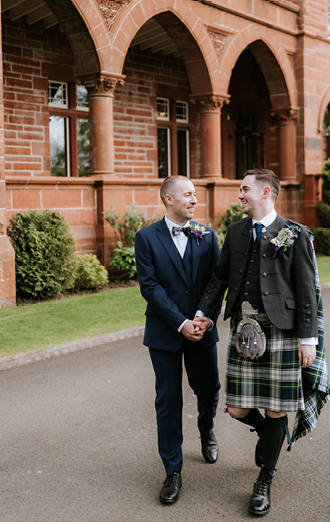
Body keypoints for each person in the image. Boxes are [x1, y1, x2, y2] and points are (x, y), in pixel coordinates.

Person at [195, 168, 330, 516]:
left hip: (282, 331)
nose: (239, 195)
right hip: (244, 329)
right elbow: (219, 278)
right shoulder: (237, 231)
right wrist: (204, 313)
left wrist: (308, 339)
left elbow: (306, 292)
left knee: (276, 408)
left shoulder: (293, 234)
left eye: (244, 190)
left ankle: (264, 480)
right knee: (237, 408)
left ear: (265, 192)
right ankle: (269, 434)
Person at [135, 176, 222, 505]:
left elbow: (217, 280)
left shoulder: (207, 234)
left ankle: (206, 429)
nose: (194, 199)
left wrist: (204, 316)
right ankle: (172, 470)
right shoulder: (146, 238)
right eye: (187, 194)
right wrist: (181, 323)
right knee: (168, 401)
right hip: (165, 332)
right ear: (168, 199)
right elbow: (150, 287)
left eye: (195, 194)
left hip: (203, 329)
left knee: (209, 389)